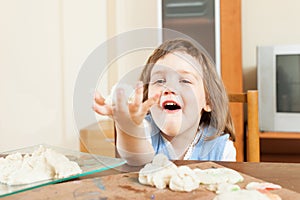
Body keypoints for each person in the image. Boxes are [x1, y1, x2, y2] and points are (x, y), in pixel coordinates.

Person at [93, 39, 236, 166]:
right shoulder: (145, 131)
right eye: (160, 81)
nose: (169, 88)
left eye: (184, 81)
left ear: (208, 100)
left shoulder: (221, 149)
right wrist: (129, 127)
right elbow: (135, 158)